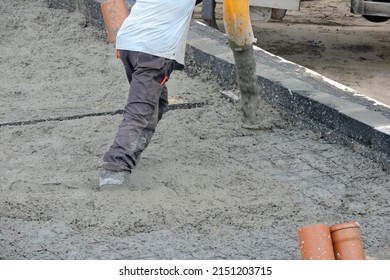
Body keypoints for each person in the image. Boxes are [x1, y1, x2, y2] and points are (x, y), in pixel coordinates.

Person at [98, 0, 202, 187]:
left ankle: (132, 150)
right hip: (153, 52)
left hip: (128, 45)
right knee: (139, 111)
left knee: (157, 101)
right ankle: (115, 167)